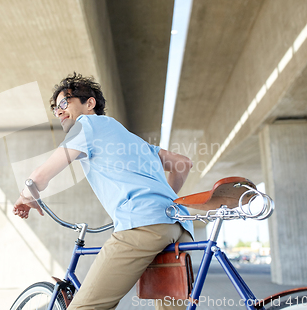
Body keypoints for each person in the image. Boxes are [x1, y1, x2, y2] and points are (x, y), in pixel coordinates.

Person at [13, 73, 194, 310]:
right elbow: (183, 163)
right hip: (180, 228)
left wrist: (26, 196)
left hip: (143, 226)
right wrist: (162, 204)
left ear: (90, 103)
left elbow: (40, 176)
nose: (59, 111)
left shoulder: (86, 125)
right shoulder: (134, 140)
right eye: (55, 109)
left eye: (64, 103)